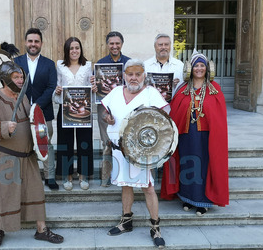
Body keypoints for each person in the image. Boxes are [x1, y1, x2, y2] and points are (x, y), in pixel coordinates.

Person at [0, 60, 63, 248]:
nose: (21, 80)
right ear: (6, 79)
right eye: (16, 77)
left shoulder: (22, 96)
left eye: (22, 77)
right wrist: (3, 126)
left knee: (35, 190)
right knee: (5, 194)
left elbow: (33, 121)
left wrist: (39, 138)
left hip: (28, 156)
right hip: (7, 156)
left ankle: (41, 229)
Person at [101, 59, 168, 248]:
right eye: (130, 74)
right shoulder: (115, 93)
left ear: (144, 75)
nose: (133, 78)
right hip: (119, 149)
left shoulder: (150, 94)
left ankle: (155, 228)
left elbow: (163, 122)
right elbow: (104, 112)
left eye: (138, 74)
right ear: (124, 75)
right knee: (125, 185)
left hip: (142, 151)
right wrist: (107, 117)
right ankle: (126, 221)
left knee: (147, 187)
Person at [161, 50, 229, 216]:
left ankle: (203, 201)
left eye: (202, 65)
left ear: (207, 68)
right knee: (186, 165)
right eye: (196, 65)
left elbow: (219, 117)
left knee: (203, 167)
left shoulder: (215, 89)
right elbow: (175, 111)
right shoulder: (182, 88)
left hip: (206, 138)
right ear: (190, 68)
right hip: (185, 136)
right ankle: (187, 197)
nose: (199, 68)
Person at [14, 28, 58, 190]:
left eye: (36, 41)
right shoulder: (16, 62)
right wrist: (26, 105)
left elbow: (51, 86)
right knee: (23, 145)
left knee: (45, 143)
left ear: (41, 44)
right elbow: (13, 86)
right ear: (26, 42)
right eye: (30, 41)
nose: (33, 44)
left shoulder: (49, 64)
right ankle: (27, 177)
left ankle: (50, 177)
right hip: (21, 113)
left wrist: (36, 105)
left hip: (43, 113)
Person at [54, 37, 96, 191]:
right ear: (67, 50)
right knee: (65, 143)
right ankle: (67, 175)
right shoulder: (60, 65)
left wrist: (93, 87)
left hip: (83, 110)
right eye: (71, 48)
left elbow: (91, 87)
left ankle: (83, 175)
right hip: (65, 109)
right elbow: (57, 86)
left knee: (84, 142)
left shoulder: (87, 66)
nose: (74, 51)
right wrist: (57, 91)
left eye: (77, 48)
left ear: (81, 49)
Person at [91, 31, 130, 187]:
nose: (114, 46)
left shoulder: (129, 63)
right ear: (107, 45)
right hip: (105, 107)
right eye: (111, 43)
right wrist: (94, 85)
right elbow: (95, 88)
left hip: (125, 106)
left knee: (125, 140)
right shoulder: (100, 64)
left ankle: (125, 175)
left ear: (121, 44)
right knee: (107, 142)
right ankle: (106, 177)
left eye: (117, 43)